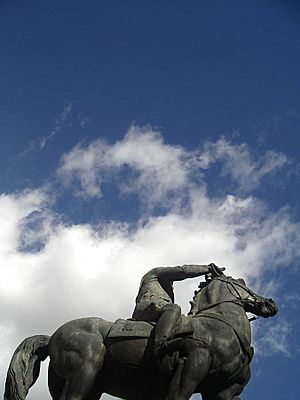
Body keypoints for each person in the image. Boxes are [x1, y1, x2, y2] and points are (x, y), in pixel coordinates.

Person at [132, 263, 224, 357]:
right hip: (148, 305)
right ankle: (160, 345)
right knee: (173, 308)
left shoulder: (167, 289)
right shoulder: (155, 273)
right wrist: (208, 268)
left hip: (157, 307)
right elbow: (182, 271)